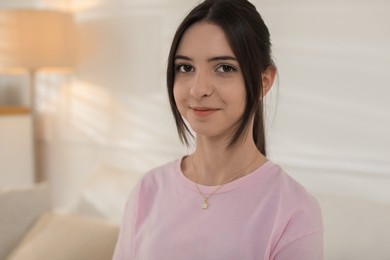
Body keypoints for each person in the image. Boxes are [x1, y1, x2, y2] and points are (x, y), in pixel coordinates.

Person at [113, 0, 323, 259]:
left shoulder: (293, 210)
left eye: (224, 68)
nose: (198, 89)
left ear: (263, 82)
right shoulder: (148, 191)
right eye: (185, 67)